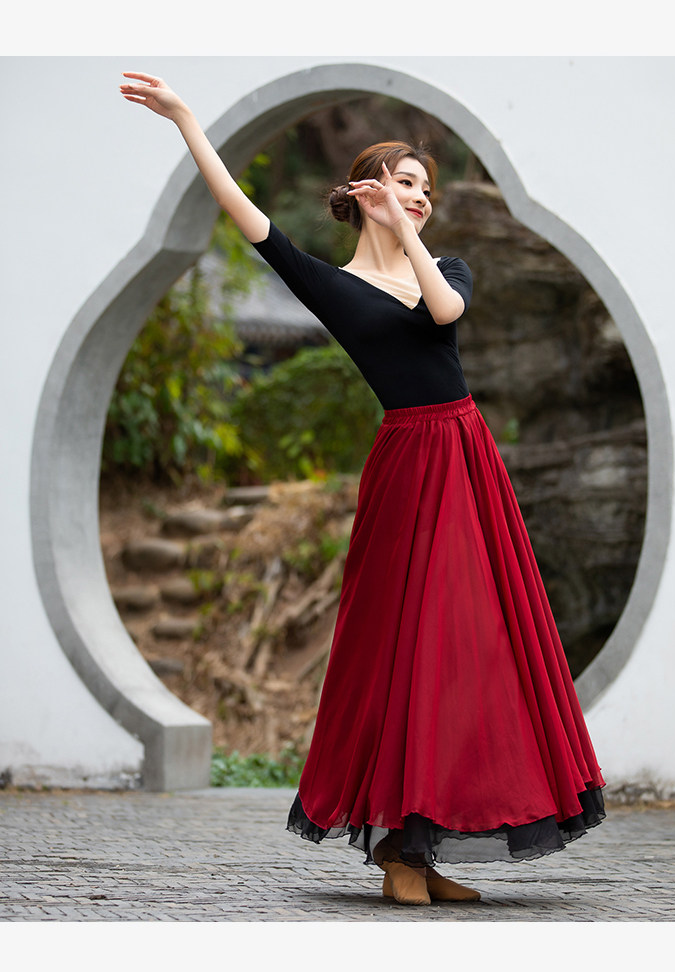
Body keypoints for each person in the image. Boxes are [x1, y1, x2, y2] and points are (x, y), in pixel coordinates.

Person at [120, 72, 606, 907]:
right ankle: (399, 851)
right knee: (405, 649)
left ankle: (420, 843)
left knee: (468, 646)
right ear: (363, 191)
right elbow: (247, 216)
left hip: (467, 457)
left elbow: (444, 312)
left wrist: (405, 230)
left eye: (424, 189)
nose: (417, 197)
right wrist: (187, 121)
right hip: (407, 466)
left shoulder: (445, 267)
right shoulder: (331, 283)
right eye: (403, 182)